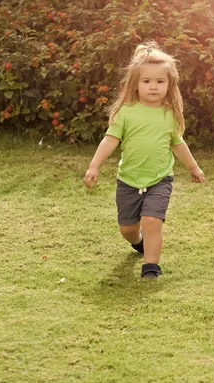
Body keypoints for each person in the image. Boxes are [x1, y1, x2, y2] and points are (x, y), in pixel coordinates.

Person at [83, 41, 205, 279]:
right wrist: (94, 166)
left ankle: (151, 266)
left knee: (151, 220)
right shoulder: (126, 112)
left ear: (169, 85)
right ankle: (138, 242)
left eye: (160, 82)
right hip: (128, 180)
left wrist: (193, 167)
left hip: (160, 179)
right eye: (146, 81)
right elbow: (110, 140)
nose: (153, 87)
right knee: (127, 228)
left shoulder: (169, 114)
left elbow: (178, 144)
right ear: (135, 84)